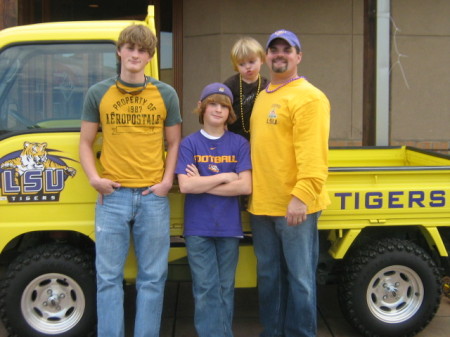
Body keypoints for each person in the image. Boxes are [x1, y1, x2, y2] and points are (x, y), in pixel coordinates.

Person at [79, 24, 181, 337]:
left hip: (153, 196)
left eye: (142, 50)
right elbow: (85, 142)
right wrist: (95, 179)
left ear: (149, 56)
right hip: (113, 196)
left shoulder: (165, 93)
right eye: (130, 48)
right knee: (108, 277)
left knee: (152, 277)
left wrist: (166, 184)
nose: (135, 55)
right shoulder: (98, 93)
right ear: (120, 52)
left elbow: (174, 142)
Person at [248, 29, 331, 337]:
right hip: (262, 206)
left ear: (299, 56)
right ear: (266, 57)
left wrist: (301, 197)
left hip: (294, 207)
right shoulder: (265, 95)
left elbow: (314, 155)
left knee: (300, 280)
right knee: (270, 277)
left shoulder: (309, 97)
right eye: (274, 49)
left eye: (287, 49)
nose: (279, 54)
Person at [175, 83, 252, 337]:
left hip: (229, 227)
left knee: (225, 287)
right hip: (198, 228)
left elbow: (245, 186)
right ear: (202, 107)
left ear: (229, 112)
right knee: (206, 287)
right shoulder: (189, 144)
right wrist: (226, 176)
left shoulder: (239, 144)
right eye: (213, 104)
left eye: (224, 105)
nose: (218, 109)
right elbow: (186, 186)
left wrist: (203, 183)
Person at [224, 37, 269, 140]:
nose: (248, 67)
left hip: (260, 137)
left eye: (251, 61)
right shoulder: (230, 85)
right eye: (242, 64)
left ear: (262, 59)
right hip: (233, 137)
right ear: (236, 65)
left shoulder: (267, 86)